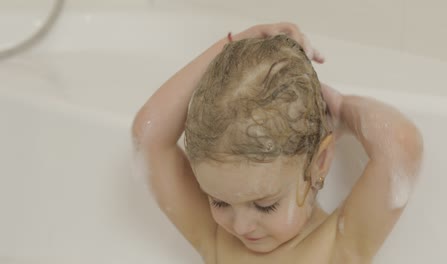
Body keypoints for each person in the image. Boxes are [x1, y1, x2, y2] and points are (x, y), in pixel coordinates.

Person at [131, 22, 423, 263]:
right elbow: (149, 137)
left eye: (265, 206)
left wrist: (341, 106)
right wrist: (235, 43)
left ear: (319, 163)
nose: (241, 226)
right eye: (219, 201)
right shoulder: (217, 238)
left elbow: (400, 144)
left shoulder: (335, 248)